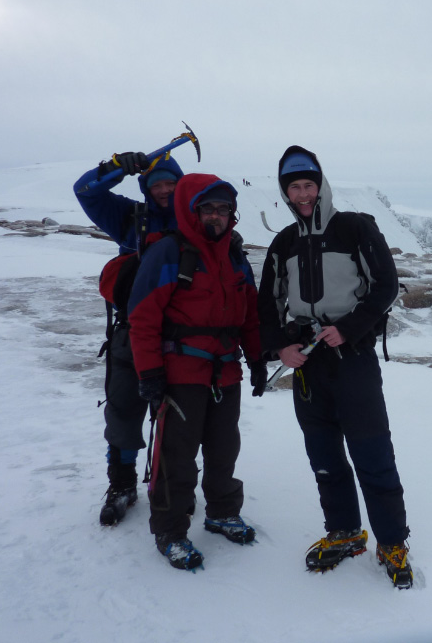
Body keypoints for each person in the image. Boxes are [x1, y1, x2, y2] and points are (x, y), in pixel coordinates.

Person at [257, 145, 413, 589]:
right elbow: (266, 305)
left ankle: (392, 541)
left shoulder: (355, 228)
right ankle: (345, 532)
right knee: (324, 455)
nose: (303, 195)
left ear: (321, 185)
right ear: (285, 193)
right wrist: (278, 350)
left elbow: (386, 285)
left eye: (309, 185)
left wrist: (349, 328)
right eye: (294, 188)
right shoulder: (283, 242)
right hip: (307, 361)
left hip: (352, 357)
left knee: (372, 453)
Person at [127, 173, 267, 570]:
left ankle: (222, 511)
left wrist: (256, 360)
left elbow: (250, 316)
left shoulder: (235, 255)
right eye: (208, 208)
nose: (217, 216)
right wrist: (150, 373)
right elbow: (143, 319)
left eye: (224, 209)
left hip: (226, 372)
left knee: (224, 449)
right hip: (180, 373)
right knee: (176, 457)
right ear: (192, 210)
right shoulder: (169, 253)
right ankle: (170, 530)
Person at [73, 151, 183, 526]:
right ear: (146, 187)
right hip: (132, 333)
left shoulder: (195, 219)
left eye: (171, 183)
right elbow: (85, 191)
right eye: (157, 184)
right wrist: (116, 167)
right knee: (122, 410)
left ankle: (171, 486)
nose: (165, 190)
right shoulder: (130, 217)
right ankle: (122, 485)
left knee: (178, 417)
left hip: (182, 335)